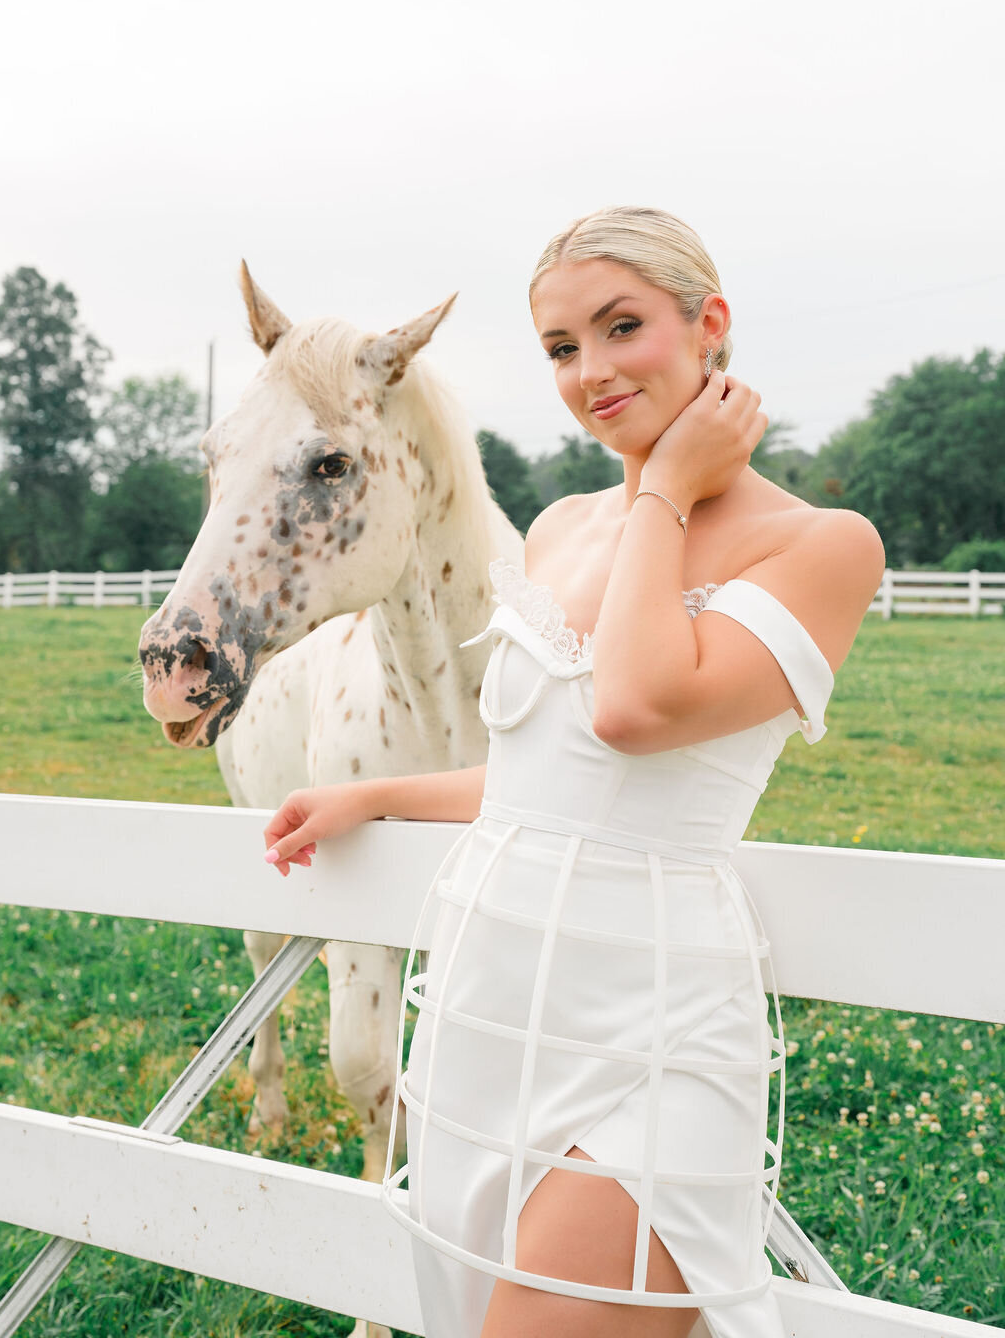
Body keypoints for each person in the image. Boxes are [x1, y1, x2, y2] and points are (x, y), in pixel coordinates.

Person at [262, 205, 885, 1338]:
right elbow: (548, 776)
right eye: (560, 348)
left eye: (620, 327)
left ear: (711, 327)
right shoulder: (555, 528)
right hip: (489, 1000)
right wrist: (380, 794)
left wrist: (665, 490)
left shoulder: (822, 544)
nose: (590, 372)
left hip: (648, 1017)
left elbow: (638, 710)